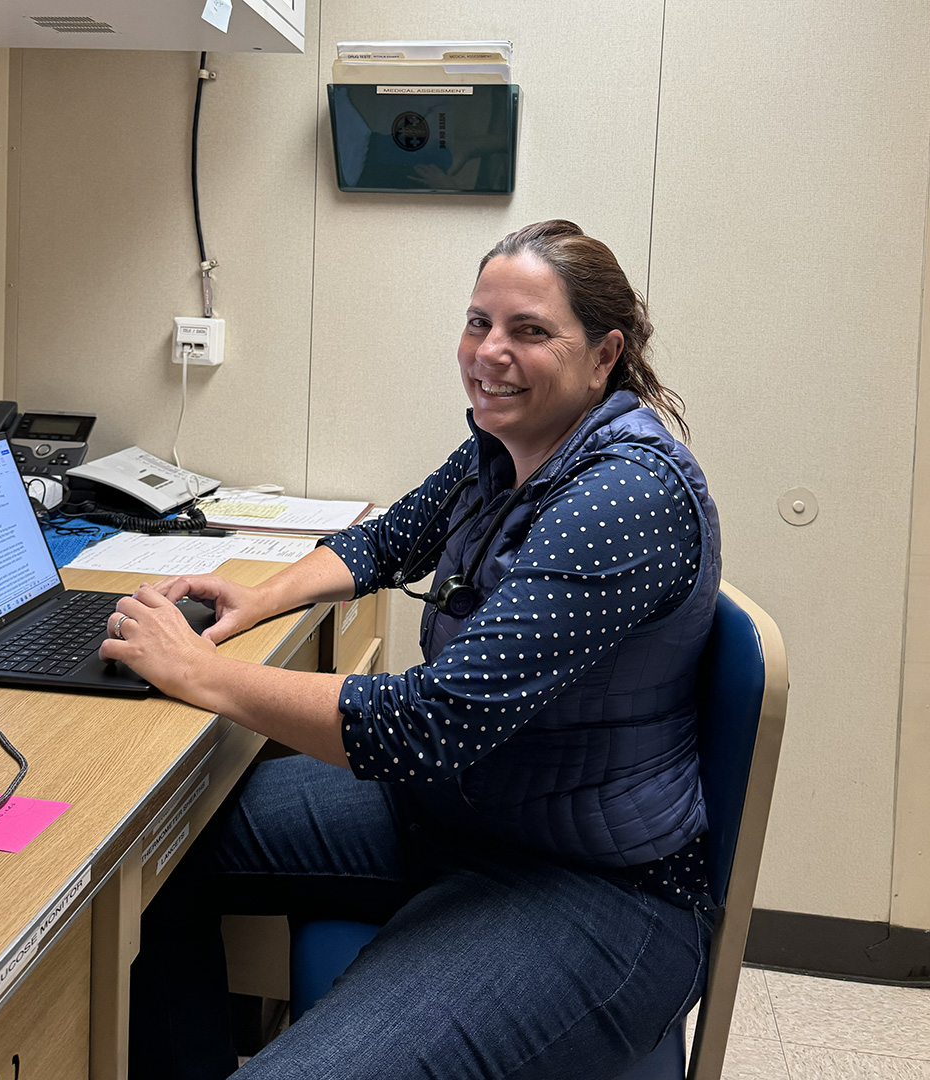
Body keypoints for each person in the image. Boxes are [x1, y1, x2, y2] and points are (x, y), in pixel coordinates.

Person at [102, 219, 721, 1080]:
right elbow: (385, 542)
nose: (489, 353)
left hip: (591, 887)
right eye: (479, 323)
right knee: (149, 858)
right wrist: (259, 597)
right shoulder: (504, 451)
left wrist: (201, 672)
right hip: (461, 811)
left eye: (530, 331)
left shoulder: (625, 493)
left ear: (603, 354)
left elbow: (427, 727)